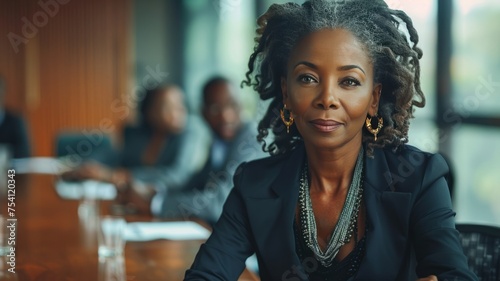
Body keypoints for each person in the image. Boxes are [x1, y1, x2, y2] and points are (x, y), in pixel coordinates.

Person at [185, 1, 478, 280]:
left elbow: (455, 276)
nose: (327, 99)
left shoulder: (419, 178)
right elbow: (206, 274)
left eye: (349, 81)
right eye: (308, 78)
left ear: (374, 98)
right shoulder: (254, 184)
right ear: (286, 94)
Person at [62, 84, 201, 214]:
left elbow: (176, 176)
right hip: (128, 204)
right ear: (150, 111)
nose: (180, 111)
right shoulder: (137, 133)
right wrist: (89, 166)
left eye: (181, 105)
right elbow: (113, 155)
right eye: (168, 107)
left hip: (167, 208)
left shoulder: (189, 134)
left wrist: (115, 176)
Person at [159, 76, 265, 225]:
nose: (225, 116)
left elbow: (221, 203)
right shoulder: (220, 141)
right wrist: (156, 192)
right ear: (203, 113)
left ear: (241, 107)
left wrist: (158, 203)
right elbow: (199, 183)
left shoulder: (253, 141)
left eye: (232, 105)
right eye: (215, 108)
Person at [0, 75, 31, 158]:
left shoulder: (16, 121)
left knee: (11, 171)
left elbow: (25, 151)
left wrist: (4, 153)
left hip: (10, 169)